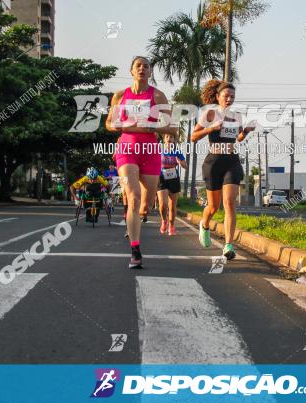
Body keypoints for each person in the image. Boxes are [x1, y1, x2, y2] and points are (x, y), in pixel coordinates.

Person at [106, 56, 177, 269]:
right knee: (134, 197)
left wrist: (154, 128)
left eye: (146, 66)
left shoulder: (157, 95)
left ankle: (141, 215)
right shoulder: (120, 96)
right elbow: (109, 124)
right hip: (127, 150)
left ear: (150, 71)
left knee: (145, 204)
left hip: (150, 151)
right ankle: (135, 250)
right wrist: (118, 128)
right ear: (131, 71)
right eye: (138, 66)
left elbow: (173, 128)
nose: (142, 69)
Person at [191, 80, 255, 260]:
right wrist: (211, 128)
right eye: (226, 96)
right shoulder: (209, 114)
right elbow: (193, 137)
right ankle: (205, 225)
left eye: (232, 96)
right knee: (213, 206)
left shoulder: (237, 117)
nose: (229, 99)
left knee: (229, 203)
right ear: (218, 97)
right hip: (213, 162)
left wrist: (247, 131)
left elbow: (239, 138)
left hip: (232, 162)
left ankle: (228, 245)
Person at [157, 132, 187, 235]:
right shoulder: (159, 150)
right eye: (167, 137)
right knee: (163, 205)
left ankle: (171, 225)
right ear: (164, 139)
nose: (169, 139)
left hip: (173, 177)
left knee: (172, 205)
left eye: (171, 137)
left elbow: (185, 166)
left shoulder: (176, 151)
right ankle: (164, 221)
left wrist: (180, 162)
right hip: (162, 177)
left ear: (174, 140)